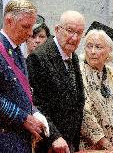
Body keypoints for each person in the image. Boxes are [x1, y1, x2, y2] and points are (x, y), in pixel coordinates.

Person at [0, 0, 49, 153]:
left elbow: (21, 93)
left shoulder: (17, 51)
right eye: (26, 27)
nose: (30, 33)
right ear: (9, 21)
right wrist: (23, 118)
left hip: (21, 140)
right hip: (2, 141)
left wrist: (35, 112)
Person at [26, 10, 86, 153]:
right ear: (57, 29)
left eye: (79, 33)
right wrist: (54, 136)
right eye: (70, 31)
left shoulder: (73, 57)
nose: (74, 37)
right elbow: (36, 105)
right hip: (49, 144)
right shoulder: (39, 58)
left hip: (69, 143)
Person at [79, 21, 113, 150]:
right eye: (89, 46)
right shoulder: (79, 72)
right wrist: (104, 143)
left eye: (98, 47)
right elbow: (84, 111)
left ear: (109, 50)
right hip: (91, 146)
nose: (93, 51)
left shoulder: (112, 73)